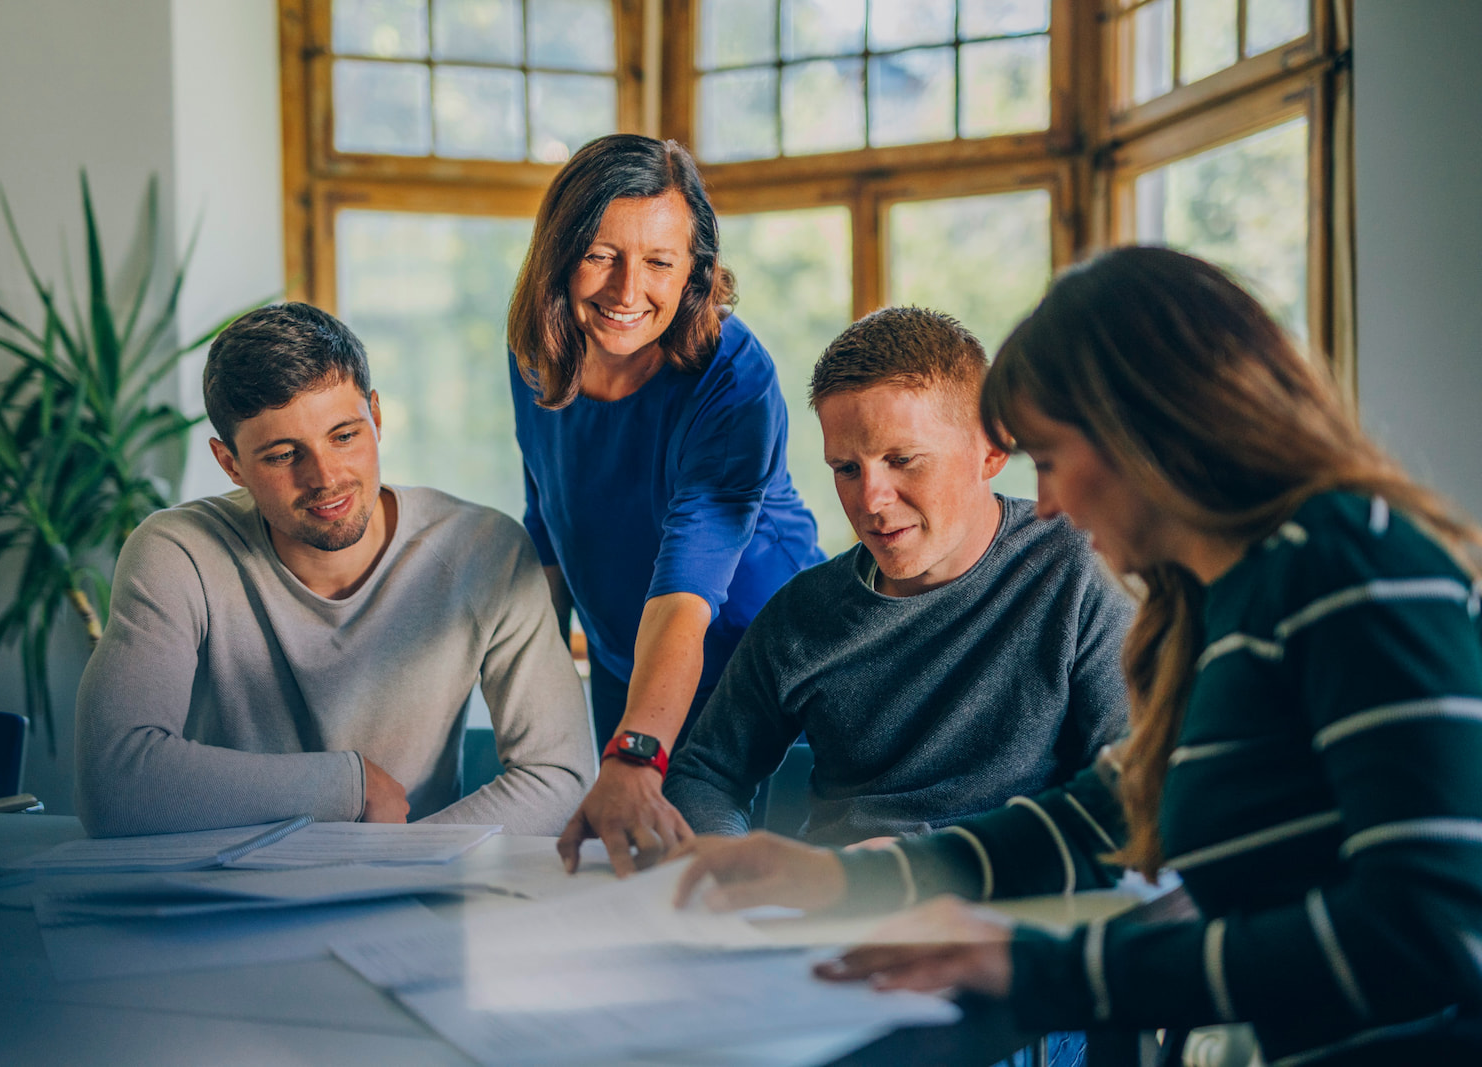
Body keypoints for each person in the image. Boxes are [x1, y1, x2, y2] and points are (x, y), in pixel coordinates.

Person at [675, 248, 1482, 1064]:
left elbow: (1434, 927)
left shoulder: (1348, 563)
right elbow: (1116, 803)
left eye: (1052, 460)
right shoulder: (1222, 598)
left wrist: (1052, 969)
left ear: (1151, 427)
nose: (1049, 502)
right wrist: (852, 882)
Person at [75, 303, 594, 838]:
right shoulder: (177, 553)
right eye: (282, 455)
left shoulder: (486, 551)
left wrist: (396, 864)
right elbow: (112, 787)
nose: (325, 478)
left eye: (344, 436)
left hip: (408, 892)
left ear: (376, 414)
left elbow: (561, 777)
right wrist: (348, 787)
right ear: (230, 464)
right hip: (233, 894)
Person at [663, 306, 1130, 846]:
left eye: (903, 459)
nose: (871, 501)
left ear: (993, 449)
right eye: (846, 469)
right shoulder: (799, 614)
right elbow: (703, 775)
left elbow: (1125, 785)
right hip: (840, 904)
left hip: (1017, 895)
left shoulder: (1079, 567)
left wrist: (915, 864)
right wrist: (731, 862)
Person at [507, 134, 824, 875]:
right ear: (558, 253)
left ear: (695, 272)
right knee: (620, 888)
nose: (625, 291)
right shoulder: (537, 352)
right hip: (627, 663)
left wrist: (635, 750)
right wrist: (535, 707)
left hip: (766, 671)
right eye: (599, 254)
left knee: (731, 893)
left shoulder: (733, 374)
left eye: (658, 260)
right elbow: (546, 526)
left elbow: (689, 587)